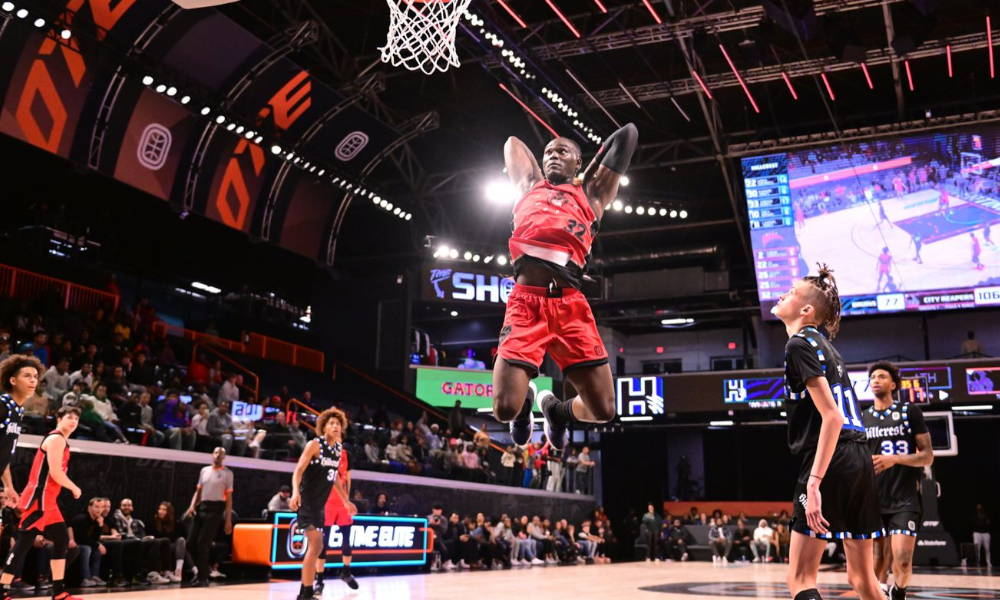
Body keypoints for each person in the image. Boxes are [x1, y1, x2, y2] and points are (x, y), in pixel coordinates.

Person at [492, 124, 638, 449]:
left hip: (569, 305)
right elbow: (512, 140)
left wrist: (587, 172)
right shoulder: (528, 186)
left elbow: (627, 134)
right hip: (527, 304)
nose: (553, 156)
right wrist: (548, 162)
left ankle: (556, 412)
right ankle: (524, 406)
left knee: (604, 410)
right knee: (504, 408)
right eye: (548, 152)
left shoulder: (593, 193)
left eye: (562, 152)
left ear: (578, 163)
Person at [773, 263, 883, 600]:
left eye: (790, 293)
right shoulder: (829, 348)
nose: (782, 295)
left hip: (831, 455)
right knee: (863, 578)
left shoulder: (798, 345)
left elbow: (831, 418)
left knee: (801, 578)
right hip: (860, 459)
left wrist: (815, 482)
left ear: (806, 310)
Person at [863, 361, 934, 600]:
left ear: (893, 384)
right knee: (877, 561)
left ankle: (899, 590)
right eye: (873, 377)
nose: (875, 380)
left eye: (882, 376)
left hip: (904, 498)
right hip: (873, 498)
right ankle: (878, 594)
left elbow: (927, 456)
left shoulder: (909, 411)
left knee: (902, 561)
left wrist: (894, 459)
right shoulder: (862, 418)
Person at [0, 406, 83, 600]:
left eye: (76, 419)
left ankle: (58, 591)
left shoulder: (61, 440)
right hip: (38, 500)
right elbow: (55, 472)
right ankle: (3, 589)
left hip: (49, 501)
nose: (73, 421)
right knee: (22, 544)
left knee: (62, 541)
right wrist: (74, 488)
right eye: (69, 417)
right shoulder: (55, 439)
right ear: (58, 419)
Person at [289, 408, 357, 600]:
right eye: (331, 423)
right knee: (317, 545)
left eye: (338, 423)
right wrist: (295, 493)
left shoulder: (338, 449)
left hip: (320, 505)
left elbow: (334, 475)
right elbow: (298, 471)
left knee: (316, 547)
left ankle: (304, 592)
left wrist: (345, 500)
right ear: (323, 427)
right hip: (307, 501)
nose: (335, 426)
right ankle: (307, 593)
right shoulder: (314, 444)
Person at [316, 419, 357, 593]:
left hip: (342, 504)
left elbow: (347, 480)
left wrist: (348, 499)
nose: (337, 436)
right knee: (322, 543)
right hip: (326, 503)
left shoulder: (347, 455)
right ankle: (319, 580)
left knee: (347, 541)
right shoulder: (322, 453)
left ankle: (346, 572)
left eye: (340, 434)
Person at [185, 447, 234, 588]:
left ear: (224, 457)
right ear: (212, 455)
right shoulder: (204, 470)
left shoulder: (227, 473)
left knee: (202, 543)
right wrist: (192, 506)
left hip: (216, 509)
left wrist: (228, 520)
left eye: (221, 454)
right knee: (190, 542)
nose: (218, 455)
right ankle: (203, 570)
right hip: (202, 507)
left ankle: (202, 577)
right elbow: (198, 491)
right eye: (216, 453)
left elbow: (229, 499)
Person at [0, 355, 39, 511]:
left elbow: (4, 456)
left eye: (35, 377)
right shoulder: (2, 405)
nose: (33, 380)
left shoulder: (18, 410)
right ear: (13, 381)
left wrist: (8, 486)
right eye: (27, 376)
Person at [112, 498, 173, 584]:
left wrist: (146, 538)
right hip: (126, 543)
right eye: (124, 505)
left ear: (132, 507)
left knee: (162, 541)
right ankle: (151, 575)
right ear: (120, 507)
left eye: (129, 505)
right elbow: (120, 534)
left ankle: (164, 572)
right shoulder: (116, 518)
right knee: (146, 542)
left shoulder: (136, 522)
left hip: (138, 542)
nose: (127, 507)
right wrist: (135, 538)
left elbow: (142, 534)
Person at [68, 498, 108, 587]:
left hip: (83, 542)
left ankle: (95, 575)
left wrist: (100, 526)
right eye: (96, 507)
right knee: (87, 548)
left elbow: (95, 538)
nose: (99, 509)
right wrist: (97, 544)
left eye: (101, 507)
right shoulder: (82, 519)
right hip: (73, 543)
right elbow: (82, 538)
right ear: (89, 507)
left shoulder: (96, 520)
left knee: (96, 548)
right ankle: (85, 577)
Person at [150, 502, 189, 584]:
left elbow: (182, 535)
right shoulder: (152, 522)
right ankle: (195, 570)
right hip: (158, 545)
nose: (161, 511)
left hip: (170, 545)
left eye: (164, 509)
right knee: (183, 549)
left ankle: (178, 570)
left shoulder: (174, 522)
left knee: (181, 540)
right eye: (160, 509)